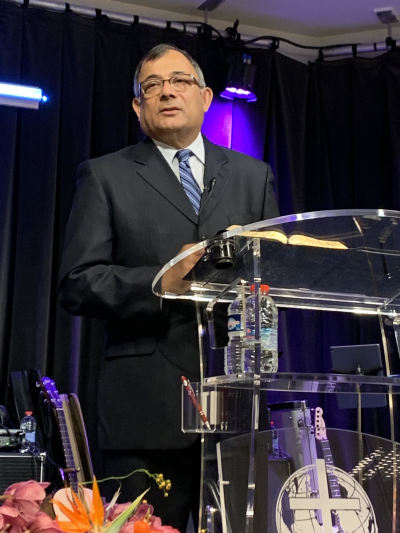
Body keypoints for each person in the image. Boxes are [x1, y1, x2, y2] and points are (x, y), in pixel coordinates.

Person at [58, 43, 279, 532]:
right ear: (138, 108)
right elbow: (78, 282)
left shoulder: (251, 176)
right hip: (145, 412)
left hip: (234, 407)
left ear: (205, 97)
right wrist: (161, 283)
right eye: (151, 86)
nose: (166, 92)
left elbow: (269, 280)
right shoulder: (105, 175)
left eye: (178, 81)